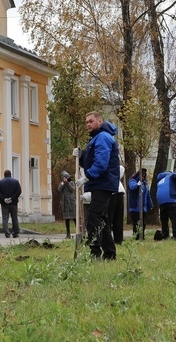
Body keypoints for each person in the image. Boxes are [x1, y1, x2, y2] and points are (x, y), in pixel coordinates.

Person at [77, 111, 120, 260]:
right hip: (100, 183)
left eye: (91, 121)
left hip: (103, 183)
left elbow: (101, 163)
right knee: (101, 219)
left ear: (100, 121)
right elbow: (92, 159)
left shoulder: (103, 137)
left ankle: (95, 252)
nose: (88, 124)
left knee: (94, 216)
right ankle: (109, 253)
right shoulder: (96, 139)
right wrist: (81, 156)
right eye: (86, 122)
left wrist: (87, 177)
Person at [156, 170, 176, 240]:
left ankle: (165, 234)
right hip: (170, 199)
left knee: (164, 219)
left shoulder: (161, 180)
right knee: (175, 218)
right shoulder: (171, 176)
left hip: (161, 201)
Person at [128, 168, 153, 239]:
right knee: (136, 223)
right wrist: (137, 185)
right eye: (142, 175)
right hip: (135, 207)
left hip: (143, 208)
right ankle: (136, 236)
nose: (143, 177)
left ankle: (141, 236)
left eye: (144, 175)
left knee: (143, 223)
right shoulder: (132, 180)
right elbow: (132, 187)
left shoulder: (145, 184)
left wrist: (150, 205)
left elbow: (148, 196)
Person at [0, 169, 22, 238]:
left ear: (4, 175)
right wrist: (12, 198)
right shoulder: (15, 182)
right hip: (13, 203)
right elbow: (19, 191)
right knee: (14, 218)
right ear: (10, 174)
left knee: (5, 218)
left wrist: (4, 198)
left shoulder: (0, 182)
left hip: (4, 204)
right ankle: (15, 233)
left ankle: (7, 233)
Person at [58, 171, 76, 239]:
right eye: (64, 177)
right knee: (67, 219)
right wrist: (63, 184)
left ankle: (78, 232)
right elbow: (59, 190)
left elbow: (72, 190)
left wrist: (67, 183)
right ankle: (68, 234)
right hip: (65, 202)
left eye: (67, 177)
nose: (66, 178)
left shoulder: (71, 183)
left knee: (74, 218)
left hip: (71, 202)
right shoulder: (61, 183)